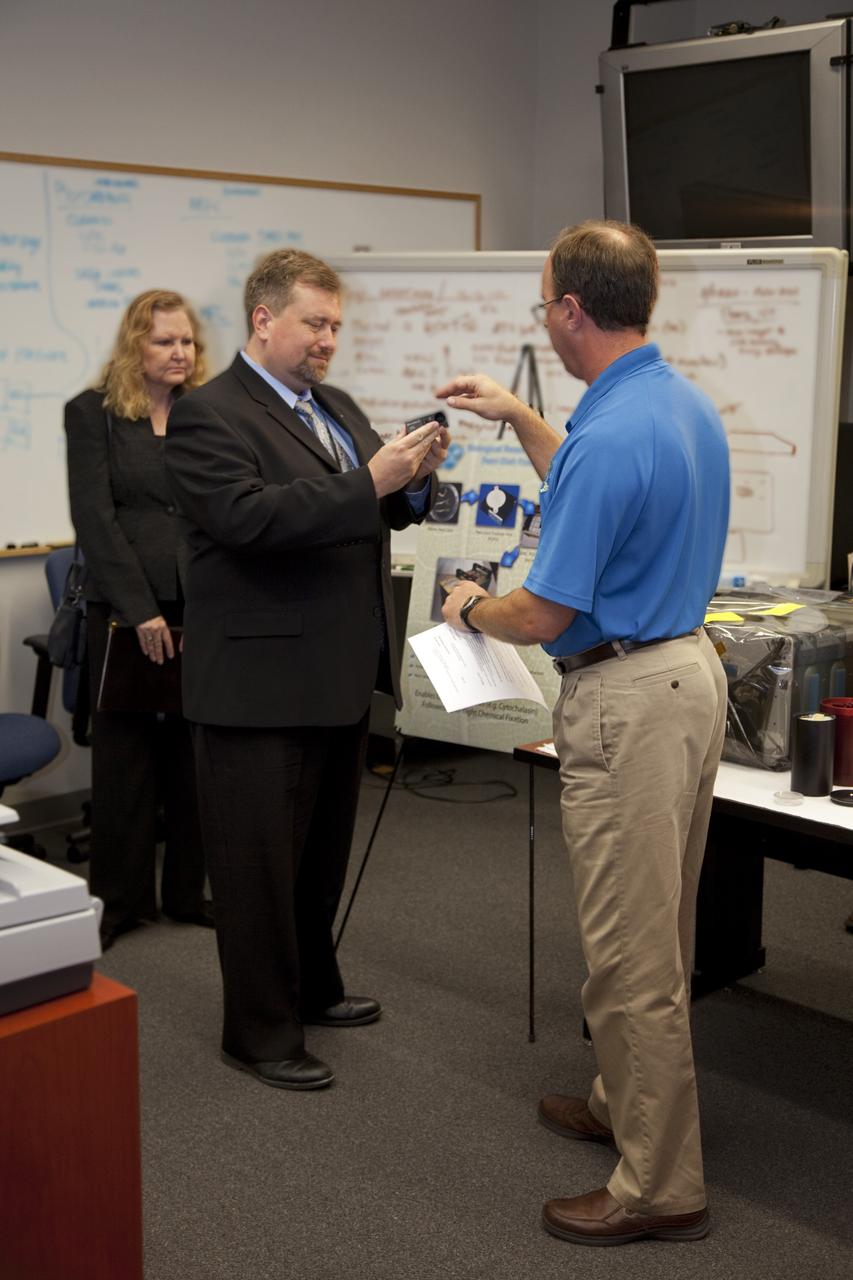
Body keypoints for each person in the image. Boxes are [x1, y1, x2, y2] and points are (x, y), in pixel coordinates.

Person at [440, 220, 730, 1246]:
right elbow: (590, 480)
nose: (544, 323)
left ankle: (658, 1181)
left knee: (627, 949)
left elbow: (543, 613)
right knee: (663, 923)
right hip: (685, 674)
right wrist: (520, 412)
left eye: (542, 305)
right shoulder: (672, 403)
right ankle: (623, 1101)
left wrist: (468, 606)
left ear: (569, 310)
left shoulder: (612, 432)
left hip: (626, 697)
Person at [165, 248, 448, 1091]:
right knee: (257, 870)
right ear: (264, 318)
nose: (329, 339)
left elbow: (371, 503)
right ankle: (256, 1033)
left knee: (318, 858)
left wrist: (411, 482)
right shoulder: (209, 415)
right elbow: (251, 520)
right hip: (255, 687)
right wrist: (372, 480)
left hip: (332, 673)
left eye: (335, 325)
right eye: (314, 323)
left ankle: (312, 989)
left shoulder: (337, 406)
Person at [65, 289, 213, 951]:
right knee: (124, 760)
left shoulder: (207, 415)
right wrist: (142, 610)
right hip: (124, 611)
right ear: (136, 346)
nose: (179, 352)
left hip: (202, 605)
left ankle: (186, 893)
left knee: (194, 755)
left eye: (186, 341)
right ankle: (118, 904)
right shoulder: (90, 416)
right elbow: (95, 522)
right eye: (164, 341)